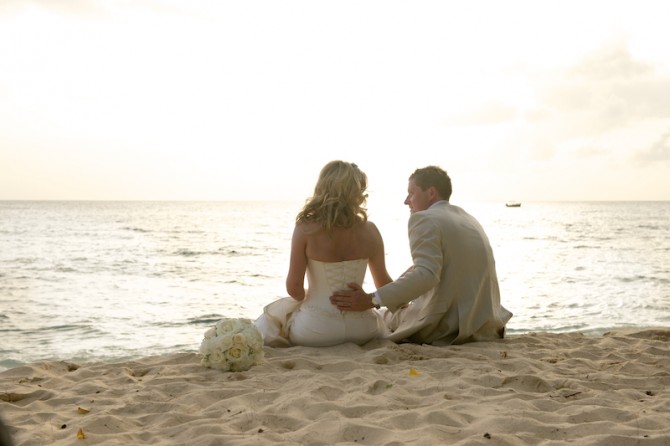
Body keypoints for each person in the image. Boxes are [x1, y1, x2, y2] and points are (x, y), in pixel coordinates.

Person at [330, 166, 512, 345]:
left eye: (411, 193)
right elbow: (442, 265)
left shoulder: (424, 219)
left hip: (446, 327)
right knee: (396, 309)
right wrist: (398, 293)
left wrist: (371, 300)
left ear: (431, 192)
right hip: (484, 325)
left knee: (379, 315)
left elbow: (426, 275)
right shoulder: (468, 219)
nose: (406, 200)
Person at [254, 160, 393, 347]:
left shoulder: (306, 229)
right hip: (364, 330)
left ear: (322, 187)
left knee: (273, 317)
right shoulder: (370, 230)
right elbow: (384, 285)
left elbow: (294, 289)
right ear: (357, 192)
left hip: (316, 330)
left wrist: (314, 295)